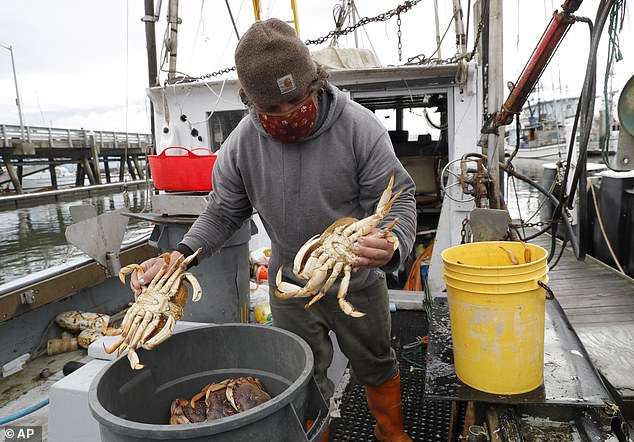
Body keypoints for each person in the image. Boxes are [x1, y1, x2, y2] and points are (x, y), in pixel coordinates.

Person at [132, 18, 416, 442]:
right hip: (288, 284)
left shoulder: (360, 128)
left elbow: (400, 197)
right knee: (300, 374)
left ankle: (391, 432)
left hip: (356, 278)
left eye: (295, 100)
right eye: (271, 110)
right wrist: (181, 254)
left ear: (314, 82)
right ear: (250, 102)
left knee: (376, 360)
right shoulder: (241, 146)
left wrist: (393, 243)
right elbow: (223, 212)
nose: (286, 115)